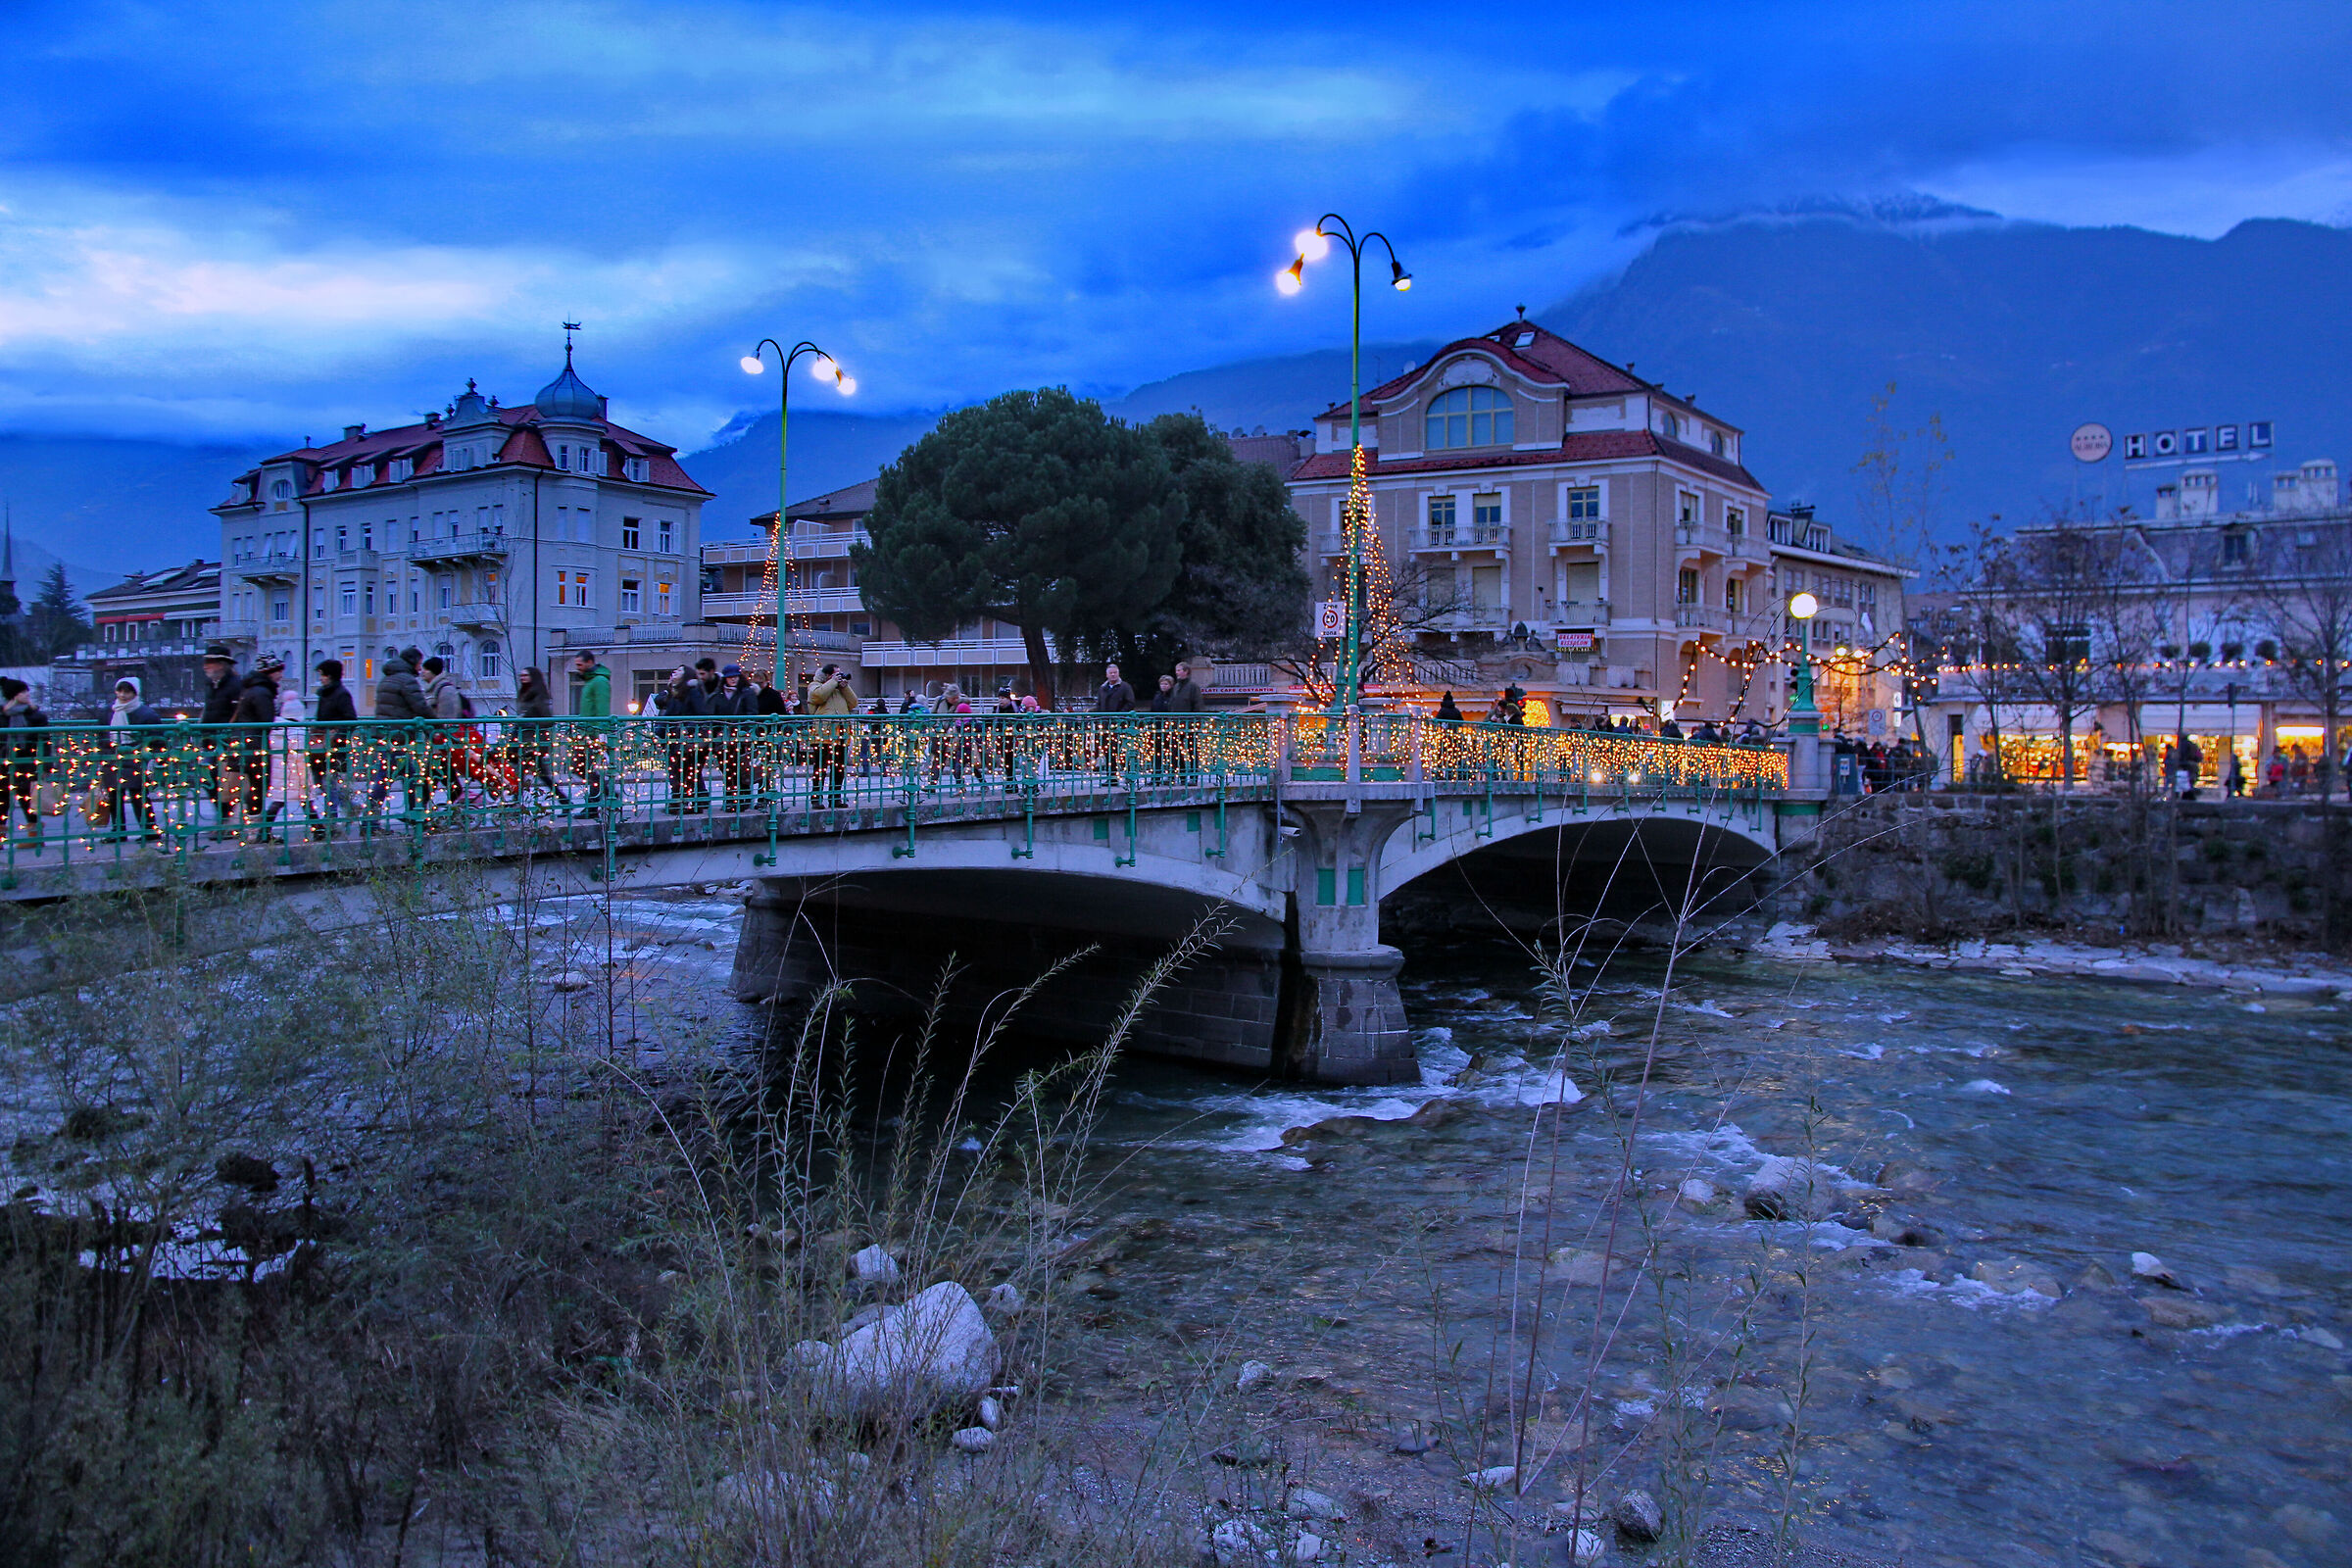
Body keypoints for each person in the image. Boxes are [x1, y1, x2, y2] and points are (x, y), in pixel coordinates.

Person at [97, 677, 165, 843]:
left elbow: (157, 740)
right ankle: (119, 830)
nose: (123, 695)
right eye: (120, 691)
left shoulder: (146, 714)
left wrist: (152, 759)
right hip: (113, 756)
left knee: (138, 794)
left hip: (136, 757)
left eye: (127, 691)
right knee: (114, 794)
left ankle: (149, 829)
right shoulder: (109, 711)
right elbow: (101, 735)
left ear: (135, 693)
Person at [226, 655, 281, 833]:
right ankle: (254, 830)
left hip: (241, 743)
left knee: (249, 787)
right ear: (270, 672)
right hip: (254, 745)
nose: (280, 675)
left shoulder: (250, 689)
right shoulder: (262, 692)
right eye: (278, 671)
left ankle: (246, 825)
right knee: (259, 787)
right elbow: (267, 720)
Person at [0, 678, 48, 841]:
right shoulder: (2, 715)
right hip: (4, 763)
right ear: (13, 695)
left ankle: (34, 836)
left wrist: (46, 766)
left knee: (27, 798)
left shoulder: (36, 715)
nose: (27, 694)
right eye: (22, 692)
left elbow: (45, 741)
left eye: (27, 691)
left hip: (27, 761)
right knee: (2, 799)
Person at [806, 661, 856, 807]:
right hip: (823, 733)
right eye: (835, 673)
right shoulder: (815, 686)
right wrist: (833, 683)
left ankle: (835, 798)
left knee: (839, 768)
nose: (839, 676)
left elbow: (853, 703)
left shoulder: (840, 690)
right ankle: (816, 798)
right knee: (820, 767)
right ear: (827, 675)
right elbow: (817, 697)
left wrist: (845, 688)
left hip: (840, 733)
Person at [569, 651, 612, 815]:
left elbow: (602, 709)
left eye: (580, 665)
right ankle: (606, 793)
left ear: (589, 662)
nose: (578, 668)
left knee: (591, 770)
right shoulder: (591, 681)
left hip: (594, 734)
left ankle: (593, 805)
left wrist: (600, 735)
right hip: (587, 733)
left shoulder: (599, 681)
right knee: (582, 768)